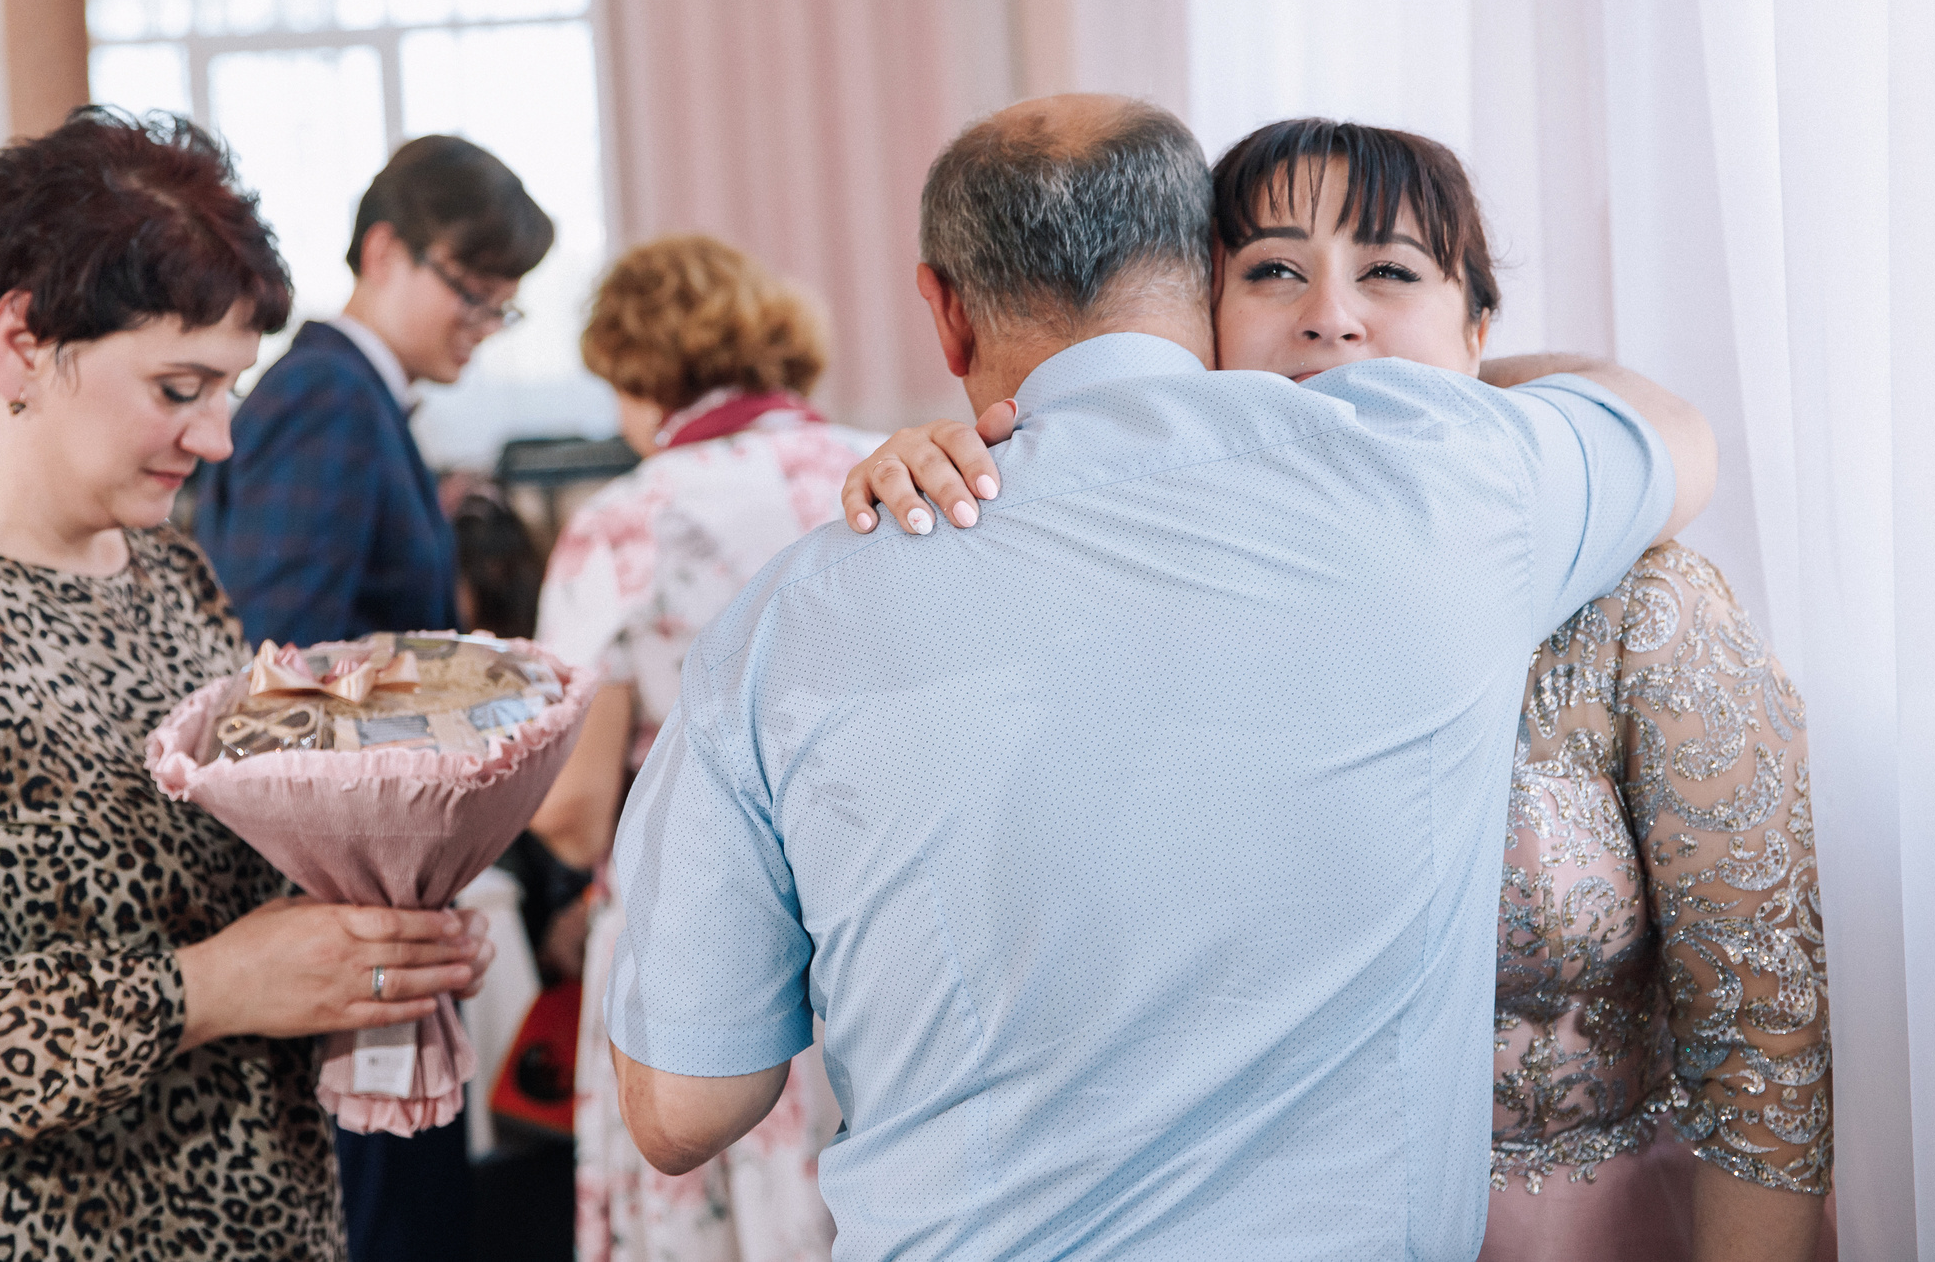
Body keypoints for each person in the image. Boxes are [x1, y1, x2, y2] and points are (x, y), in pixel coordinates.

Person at [603, 96, 1711, 1261]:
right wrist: (1440, 386)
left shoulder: (785, 621)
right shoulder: (1448, 483)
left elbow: (684, 1112)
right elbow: (1669, 427)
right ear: (1201, 273)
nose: (1334, 323)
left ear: (941, 307)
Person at [843, 118, 1833, 1262]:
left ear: (1475, 328)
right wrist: (943, 476)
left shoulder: (1639, 610)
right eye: (1270, 271)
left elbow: (1760, 1034)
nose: (1330, 313)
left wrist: (1478, 403)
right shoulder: (1124, 585)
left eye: (1389, 272)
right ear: (1191, 328)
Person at [0, 108, 493, 1261]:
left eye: (228, 388)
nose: (218, 438)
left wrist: (372, 939)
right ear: (23, 342)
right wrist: (208, 990)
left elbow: (220, 890)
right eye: (179, 388)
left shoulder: (168, 572)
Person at [190, 131, 552, 1262]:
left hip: (375, 876)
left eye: (502, 306)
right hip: (351, 878)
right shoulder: (331, 398)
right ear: (384, 248)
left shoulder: (355, 397)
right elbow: (281, 654)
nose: (481, 325)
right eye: (471, 291)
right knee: (390, 1216)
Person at [529, 235, 871, 1262]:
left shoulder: (628, 520)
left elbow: (574, 808)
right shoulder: (899, 459)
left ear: (639, 373)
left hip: (706, 958)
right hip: (881, 924)